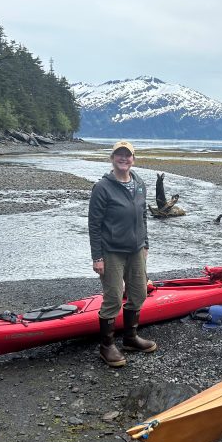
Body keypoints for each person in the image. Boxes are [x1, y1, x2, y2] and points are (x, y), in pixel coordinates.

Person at [88, 141, 157, 367]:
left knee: (139, 294)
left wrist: (145, 244)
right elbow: (94, 225)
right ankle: (106, 346)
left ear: (133, 160)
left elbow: (143, 216)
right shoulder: (102, 188)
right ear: (112, 158)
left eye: (128, 155)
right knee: (114, 299)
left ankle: (130, 338)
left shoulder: (139, 184)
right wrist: (97, 257)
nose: (124, 158)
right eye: (119, 155)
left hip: (136, 250)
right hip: (111, 252)